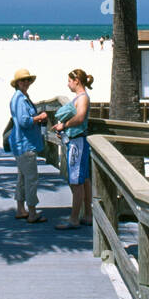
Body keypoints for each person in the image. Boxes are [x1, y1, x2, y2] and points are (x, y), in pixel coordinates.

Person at [53, 68, 94, 229]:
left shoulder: (82, 98)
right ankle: (88, 215)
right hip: (77, 141)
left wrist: (64, 125)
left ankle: (74, 218)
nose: (68, 84)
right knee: (84, 180)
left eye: (69, 81)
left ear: (76, 81)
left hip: (77, 143)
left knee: (76, 181)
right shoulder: (80, 97)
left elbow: (80, 116)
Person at [8, 68, 49, 223]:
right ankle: (32, 213)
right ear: (17, 83)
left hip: (22, 143)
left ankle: (21, 209)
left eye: (27, 80)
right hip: (25, 144)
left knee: (22, 177)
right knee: (31, 178)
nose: (26, 83)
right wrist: (39, 117)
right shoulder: (19, 99)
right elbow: (24, 121)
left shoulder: (22, 97)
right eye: (23, 80)